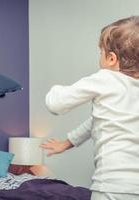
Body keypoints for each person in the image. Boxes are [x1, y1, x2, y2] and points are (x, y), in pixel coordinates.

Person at [40, 16, 139, 200]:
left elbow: (56, 104)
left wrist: (55, 89)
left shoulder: (106, 78)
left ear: (111, 59)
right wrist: (67, 142)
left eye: (100, 52)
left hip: (111, 187)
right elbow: (96, 121)